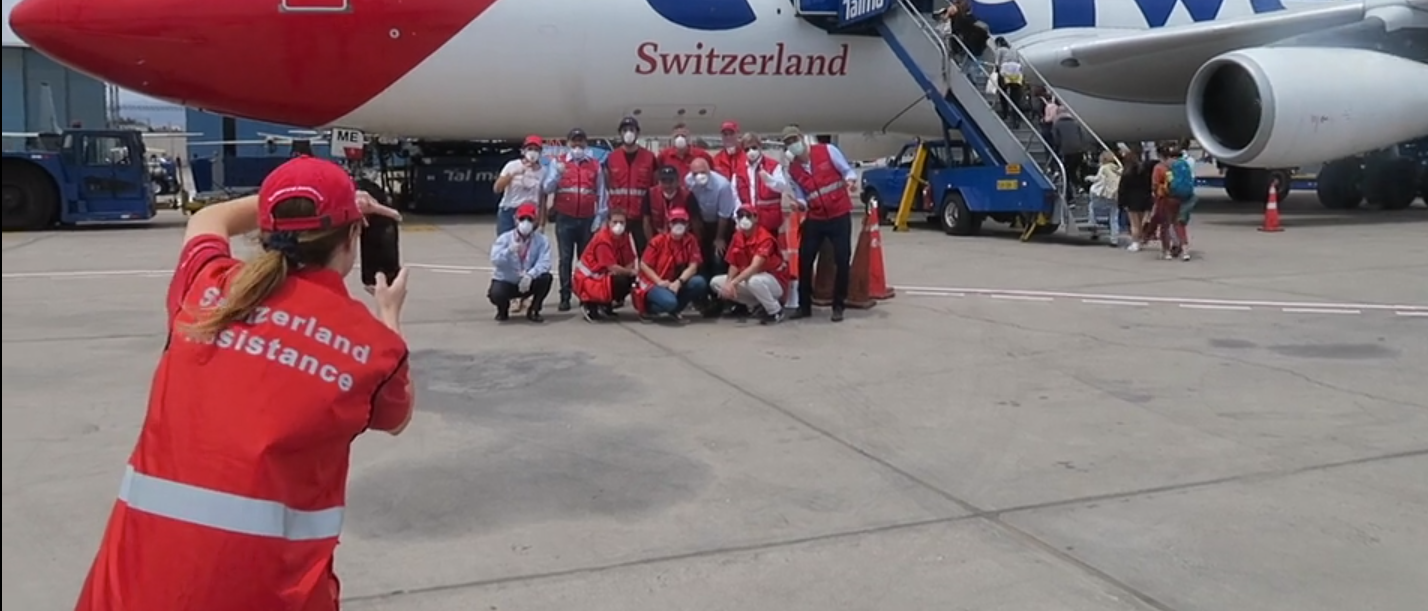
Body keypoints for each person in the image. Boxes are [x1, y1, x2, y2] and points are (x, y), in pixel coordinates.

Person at [72, 156, 412, 611]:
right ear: (353, 237)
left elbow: (212, 217)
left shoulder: (207, 289)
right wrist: (389, 315)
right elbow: (397, 417)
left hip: (130, 592)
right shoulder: (371, 347)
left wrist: (284, 204)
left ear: (267, 231)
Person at [782, 125, 857, 322]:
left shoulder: (827, 151)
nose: (793, 145)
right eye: (788, 143)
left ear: (802, 138)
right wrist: (798, 204)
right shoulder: (793, 170)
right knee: (804, 261)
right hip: (816, 218)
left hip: (839, 214)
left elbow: (847, 171)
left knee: (841, 260)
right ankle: (804, 306)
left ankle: (838, 305)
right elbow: (802, 197)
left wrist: (850, 181)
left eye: (794, 140)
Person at [543, 128, 607, 311]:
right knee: (565, 259)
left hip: (587, 219)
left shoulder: (595, 165)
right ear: (568, 143)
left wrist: (600, 217)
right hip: (565, 219)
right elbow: (547, 188)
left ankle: (585, 293)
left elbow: (601, 192)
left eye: (581, 142)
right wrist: (557, 174)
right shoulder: (558, 163)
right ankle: (565, 296)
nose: (577, 145)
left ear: (586, 144)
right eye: (574, 142)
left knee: (586, 260)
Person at [712, 205, 790, 325]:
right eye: (741, 216)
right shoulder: (737, 237)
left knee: (753, 281)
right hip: (752, 279)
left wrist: (734, 282)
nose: (744, 219)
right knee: (716, 283)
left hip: (775, 281)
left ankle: (775, 311)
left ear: (756, 218)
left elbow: (755, 267)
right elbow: (734, 263)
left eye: (748, 216)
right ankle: (758, 305)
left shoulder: (765, 238)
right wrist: (728, 282)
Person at [634, 207, 708, 321]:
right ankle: (649, 308)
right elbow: (644, 264)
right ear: (669, 224)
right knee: (669, 302)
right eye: (675, 222)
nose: (679, 225)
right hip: (654, 282)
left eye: (682, 222)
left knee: (699, 282)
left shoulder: (691, 241)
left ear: (687, 225)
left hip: (674, 282)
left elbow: (693, 266)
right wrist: (659, 281)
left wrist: (679, 282)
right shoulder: (658, 241)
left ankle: (675, 309)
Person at [488, 202, 553, 322]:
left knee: (546, 278)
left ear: (535, 221)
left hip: (528, 281)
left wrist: (530, 275)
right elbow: (495, 260)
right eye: (522, 219)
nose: (525, 223)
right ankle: (503, 310)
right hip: (508, 281)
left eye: (529, 219)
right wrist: (508, 251)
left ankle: (534, 309)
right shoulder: (505, 239)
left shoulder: (542, 240)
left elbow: (545, 262)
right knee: (496, 294)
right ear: (515, 220)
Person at [573, 210, 639, 322]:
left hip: (603, 275)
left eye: (622, 222)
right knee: (621, 280)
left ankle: (605, 304)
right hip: (588, 279)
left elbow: (630, 260)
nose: (618, 225)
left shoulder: (624, 238)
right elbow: (611, 267)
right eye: (615, 222)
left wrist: (630, 271)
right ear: (608, 222)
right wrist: (630, 272)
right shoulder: (603, 239)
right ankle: (590, 304)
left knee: (631, 280)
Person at [605, 116, 658, 253]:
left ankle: (642, 275)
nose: (628, 133)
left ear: (637, 132)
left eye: (631, 129)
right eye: (625, 130)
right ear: (620, 133)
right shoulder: (611, 158)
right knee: (617, 254)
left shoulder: (649, 157)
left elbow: (655, 186)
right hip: (619, 216)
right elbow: (605, 184)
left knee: (645, 253)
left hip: (641, 217)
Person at [685, 157, 739, 285]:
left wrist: (719, 238)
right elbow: (691, 203)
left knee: (718, 257)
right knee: (701, 258)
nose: (699, 176)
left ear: (709, 170)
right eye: (695, 173)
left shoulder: (722, 185)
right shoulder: (689, 181)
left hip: (721, 224)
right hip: (702, 223)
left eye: (703, 172)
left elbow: (724, 214)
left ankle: (721, 292)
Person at [731, 132, 788, 236]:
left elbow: (782, 187)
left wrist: (769, 180)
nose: (751, 151)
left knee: (769, 250)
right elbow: (735, 197)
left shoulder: (773, 166)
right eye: (747, 149)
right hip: (747, 222)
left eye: (753, 147)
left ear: (760, 146)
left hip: (769, 222)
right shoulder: (738, 171)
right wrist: (737, 219)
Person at [493, 134, 549, 236]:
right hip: (510, 210)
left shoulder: (544, 172)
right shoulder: (512, 165)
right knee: (506, 244)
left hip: (530, 212)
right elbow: (497, 188)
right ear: (523, 150)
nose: (533, 152)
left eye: (536, 150)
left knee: (526, 247)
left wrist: (541, 224)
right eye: (530, 149)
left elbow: (542, 200)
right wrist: (512, 175)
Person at [644, 164, 704, 238]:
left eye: (671, 181)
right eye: (664, 181)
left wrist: (696, 243)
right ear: (658, 182)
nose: (668, 185)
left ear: (678, 181)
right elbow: (646, 221)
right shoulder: (650, 194)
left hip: (682, 237)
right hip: (658, 237)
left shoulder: (688, 196)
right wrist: (651, 244)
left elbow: (695, 222)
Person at [1150, 141, 1187, 260]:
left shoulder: (1159, 167)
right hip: (1178, 197)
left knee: (1165, 225)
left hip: (1164, 198)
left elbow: (1155, 184)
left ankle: (1166, 251)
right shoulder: (1179, 164)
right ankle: (1182, 249)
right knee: (1178, 224)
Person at [1116, 143, 1154, 252]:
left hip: (1132, 199)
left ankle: (1135, 242)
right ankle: (1141, 239)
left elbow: (1122, 188)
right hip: (1145, 198)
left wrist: (1121, 203)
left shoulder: (1127, 172)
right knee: (1141, 222)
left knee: (1134, 223)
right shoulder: (1145, 169)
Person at [1086, 150, 1123, 247]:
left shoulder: (1103, 168)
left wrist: (1088, 178)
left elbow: (1097, 179)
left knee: (1091, 207)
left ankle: (1094, 229)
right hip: (1114, 195)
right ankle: (1114, 239)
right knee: (1113, 217)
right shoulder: (1117, 168)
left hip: (1102, 195)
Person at [1051, 107, 1090, 198]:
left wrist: (1057, 149)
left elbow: (1056, 140)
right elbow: (1082, 137)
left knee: (1066, 173)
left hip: (1066, 151)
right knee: (1072, 171)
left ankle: (1069, 197)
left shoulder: (1057, 125)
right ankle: (1079, 187)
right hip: (1079, 150)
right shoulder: (1075, 123)